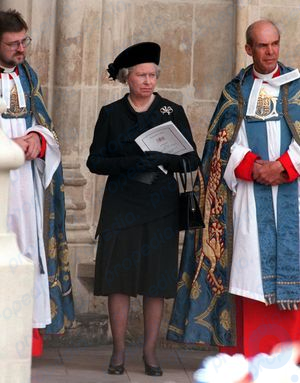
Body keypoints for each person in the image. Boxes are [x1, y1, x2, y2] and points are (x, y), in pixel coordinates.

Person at [167, 19, 300, 357]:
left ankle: (289, 360)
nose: (270, 52)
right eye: (262, 46)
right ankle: (250, 356)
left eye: (275, 44)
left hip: (292, 196)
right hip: (249, 202)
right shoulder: (235, 92)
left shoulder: (297, 88)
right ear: (248, 49)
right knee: (249, 275)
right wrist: (254, 167)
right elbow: (221, 147)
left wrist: (284, 167)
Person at [86, 42, 200, 375]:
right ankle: (119, 352)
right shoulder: (111, 113)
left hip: (161, 206)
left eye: (152, 75)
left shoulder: (172, 111)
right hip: (122, 205)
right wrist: (131, 162)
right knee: (118, 280)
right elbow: (94, 160)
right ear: (127, 77)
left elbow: (191, 158)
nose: (148, 81)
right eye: (141, 75)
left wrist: (168, 158)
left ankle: (150, 353)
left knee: (156, 282)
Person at [0, 9, 74, 356]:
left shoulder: (29, 77)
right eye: (13, 43)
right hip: (2, 178)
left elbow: (44, 122)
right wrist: (6, 145)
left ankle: (23, 341)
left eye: (24, 41)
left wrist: (35, 139)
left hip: (26, 185)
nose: (21, 49)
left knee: (27, 251)